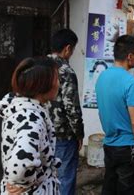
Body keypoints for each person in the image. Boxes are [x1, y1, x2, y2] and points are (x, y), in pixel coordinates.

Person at [0, 57, 60, 194]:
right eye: (56, 79)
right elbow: (21, 162)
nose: (58, 84)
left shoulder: (20, 107)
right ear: (44, 85)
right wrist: (24, 184)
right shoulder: (31, 119)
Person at [95, 35, 134, 195]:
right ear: (130, 56)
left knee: (109, 188)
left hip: (109, 145)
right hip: (128, 149)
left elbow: (103, 111)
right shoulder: (131, 83)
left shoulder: (102, 77)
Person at [47, 29, 84, 195]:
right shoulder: (66, 72)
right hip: (63, 136)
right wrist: (79, 134)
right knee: (65, 178)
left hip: (41, 133)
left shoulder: (39, 66)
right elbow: (72, 108)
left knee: (44, 178)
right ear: (67, 48)